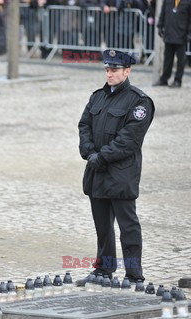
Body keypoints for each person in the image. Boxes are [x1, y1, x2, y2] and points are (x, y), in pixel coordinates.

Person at [77, 49, 155, 286]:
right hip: (96, 169)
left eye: (114, 70)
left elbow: (130, 139)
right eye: (107, 69)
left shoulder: (139, 101)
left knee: (127, 225)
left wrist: (101, 157)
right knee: (102, 225)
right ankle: (103, 269)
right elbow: (84, 125)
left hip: (121, 173)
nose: (109, 73)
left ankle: (133, 274)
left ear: (127, 71)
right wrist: (89, 152)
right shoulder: (97, 96)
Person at [153, 0, 191, 88]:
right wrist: (160, 25)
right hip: (169, 33)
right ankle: (164, 79)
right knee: (168, 58)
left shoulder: (188, 2)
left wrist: (189, 33)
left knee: (181, 60)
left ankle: (178, 80)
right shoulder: (167, 1)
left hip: (182, 35)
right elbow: (163, 13)